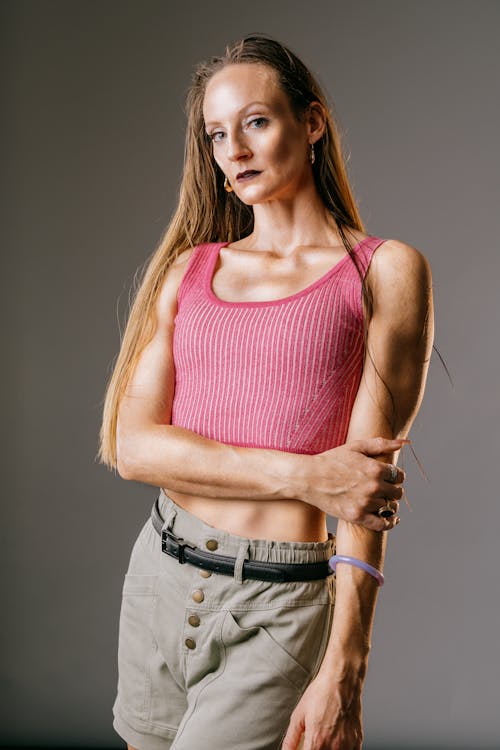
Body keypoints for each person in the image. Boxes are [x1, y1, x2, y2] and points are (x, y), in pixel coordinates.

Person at [98, 33, 434, 750]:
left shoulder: (384, 273)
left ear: (311, 123)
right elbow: (131, 448)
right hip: (159, 574)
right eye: (217, 134)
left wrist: (347, 665)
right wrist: (306, 474)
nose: (235, 149)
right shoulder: (187, 269)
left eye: (256, 121)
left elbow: (362, 495)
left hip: (279, 602)